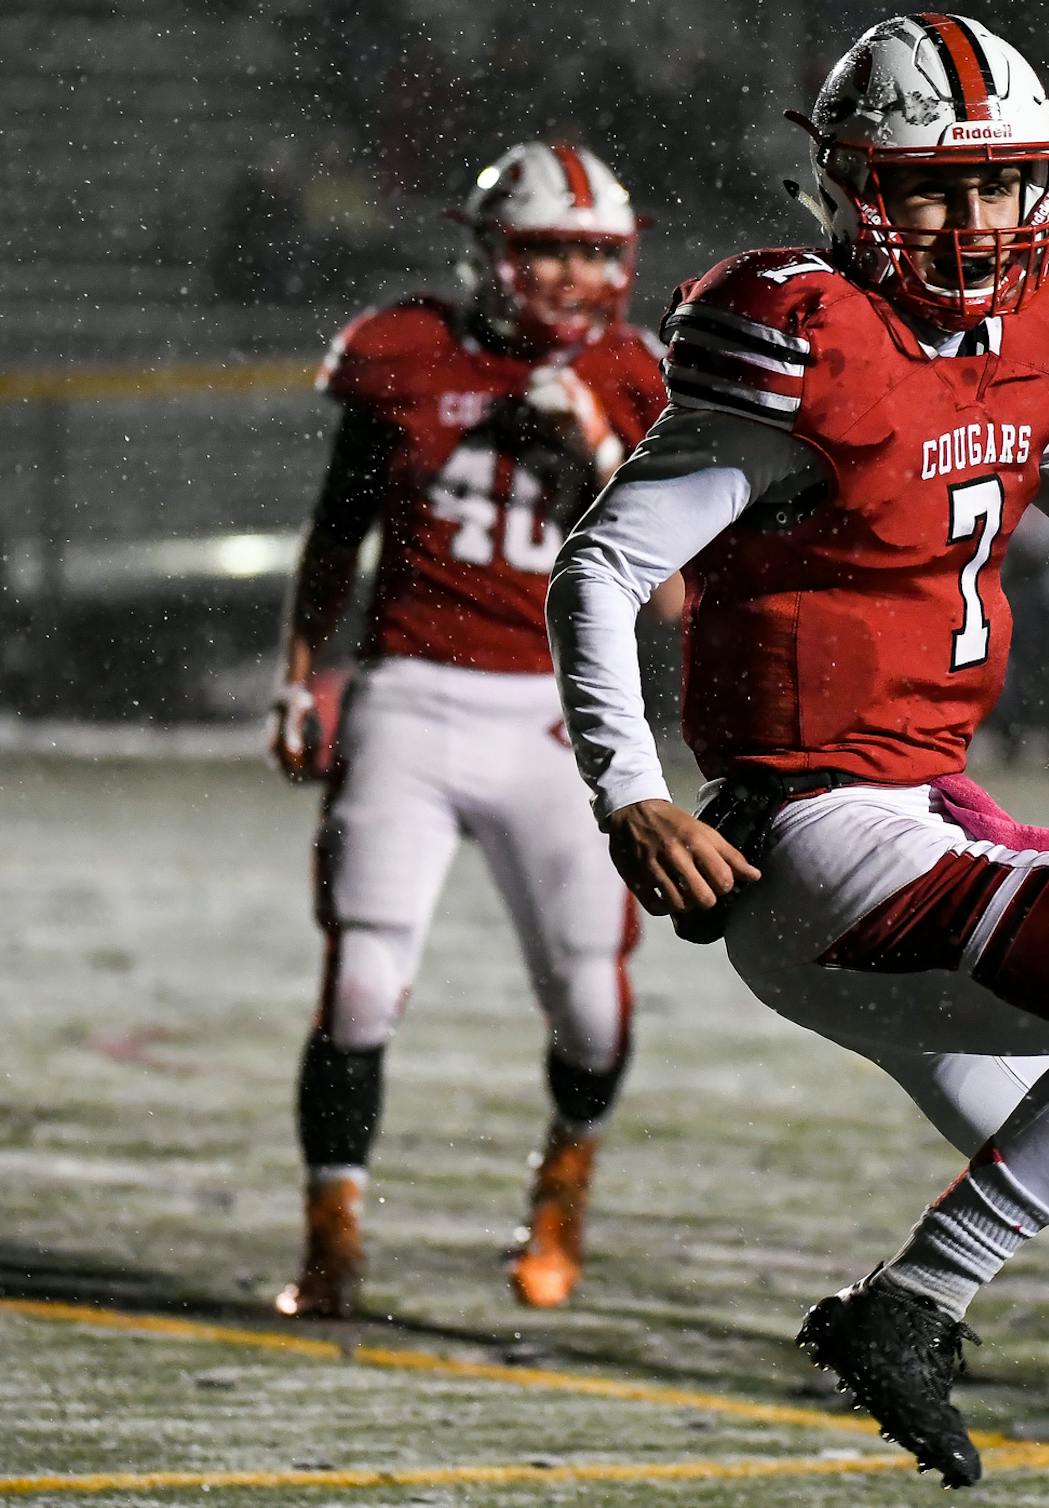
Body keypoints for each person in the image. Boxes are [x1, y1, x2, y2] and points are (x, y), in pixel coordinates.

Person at [544, 16, 1049, 1501]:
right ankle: (915, 1299)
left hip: (911, 827)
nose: (975, 221)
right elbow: (600, 571)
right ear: (850, 191)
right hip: (816, 839)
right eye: (932, 189)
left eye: (1000, 185)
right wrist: (632, 794)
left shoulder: (1028, 338)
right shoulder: (813, 340)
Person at [267, 142, 669, 1320]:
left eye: (592, 254)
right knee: (362, 980)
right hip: (412, 693)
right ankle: (331, 1230)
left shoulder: (640, 377)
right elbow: (336, 533)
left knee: (592, 1002)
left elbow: (682, 593)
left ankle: (562, 1182)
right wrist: (299, 673)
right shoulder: (407, 355)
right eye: (545, 247)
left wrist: (597, 452)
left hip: (562, 713)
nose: (567, 277)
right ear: (491, 249)